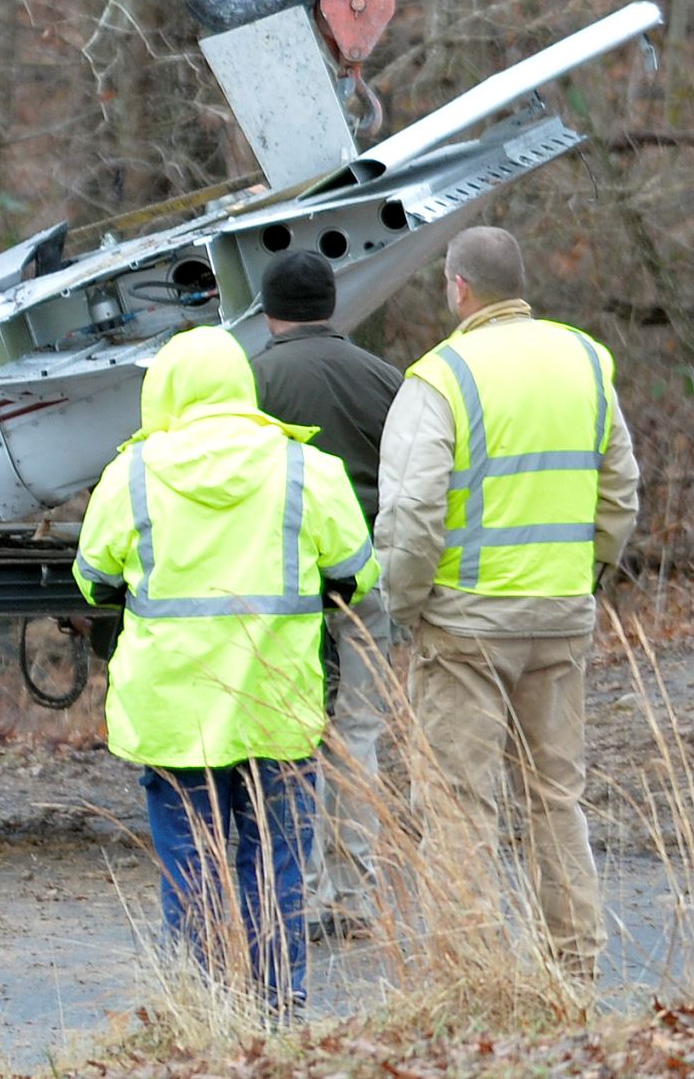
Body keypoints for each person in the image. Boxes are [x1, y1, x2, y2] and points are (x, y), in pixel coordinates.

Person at [75, 326, 379, 1017]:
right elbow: (357, 573)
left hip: (174, 710)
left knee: (191, 856)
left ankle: (201, 1006)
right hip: (277, 701)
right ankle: (276, 1005)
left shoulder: (132, 473)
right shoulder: (306, 467)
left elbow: (93, 578)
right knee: (276, 858)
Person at [374, 226, 640, 983]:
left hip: (464, 628)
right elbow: (620, 491)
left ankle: (471, 976)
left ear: (457, 287)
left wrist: (405, 605)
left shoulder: (440, 377)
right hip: (560, 615)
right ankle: (575, 967)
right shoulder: (585, 361)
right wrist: (587, 573)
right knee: (556, 797)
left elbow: (413, 513)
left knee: (460, 804)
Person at [247, 250, 405, 945]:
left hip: (283, 584)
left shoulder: (253, 382)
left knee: (290, 735)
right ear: (332, 305)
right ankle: (355, 896)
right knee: (358, 733)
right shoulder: (385, 378)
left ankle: (301, 895)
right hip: (368, 575)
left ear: (267, 310)